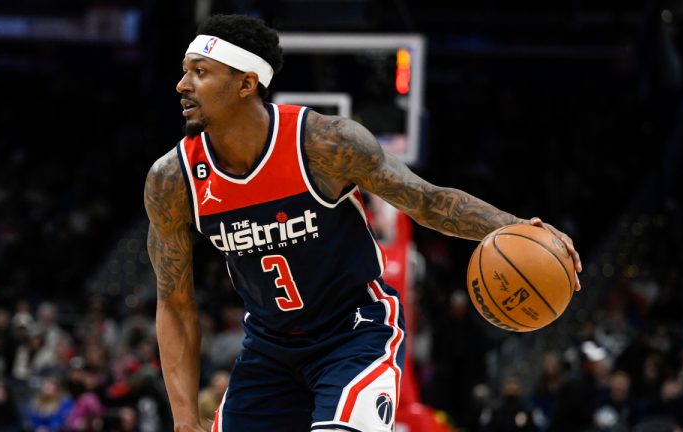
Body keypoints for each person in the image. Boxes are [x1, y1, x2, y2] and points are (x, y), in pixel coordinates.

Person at [143, 14, 583, 432]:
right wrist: (184, 419)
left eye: (200, 72)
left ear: (246, 83)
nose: (183, 84)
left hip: (353, 332)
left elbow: (427, 201)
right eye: (184, 71)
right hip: (269, 347)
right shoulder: (172, 180)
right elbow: (174, 302)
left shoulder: (323, 144)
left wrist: (517, 227)